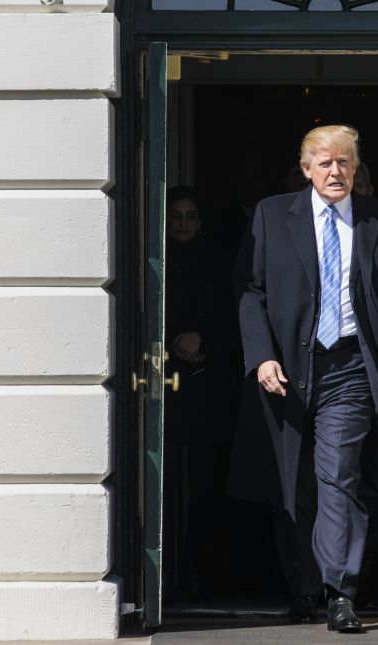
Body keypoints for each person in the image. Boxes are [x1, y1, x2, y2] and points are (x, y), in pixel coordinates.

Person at [230, 125, 378, 633]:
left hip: (351, 369)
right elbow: (250, 292)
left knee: (338, 475)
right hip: (288, 371)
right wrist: (261, 357)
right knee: (295, 483)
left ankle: (341, 592)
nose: (334, 171)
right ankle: (302, 586)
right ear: (305, 169)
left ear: (355, 169)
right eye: (323, 162)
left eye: (343, 162)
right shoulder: (272, 216)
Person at [162, 186, 239, 600]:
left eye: (191, 216)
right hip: (165, 386)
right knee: (167, 484)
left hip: (207, 387)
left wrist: (202, 338)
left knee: (206, 487)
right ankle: (167, 576)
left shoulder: (217, 262)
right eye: (176, 216)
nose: (184, 224)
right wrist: (175, 342)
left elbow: (233, 317)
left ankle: (202, 577)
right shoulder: (156, 261)